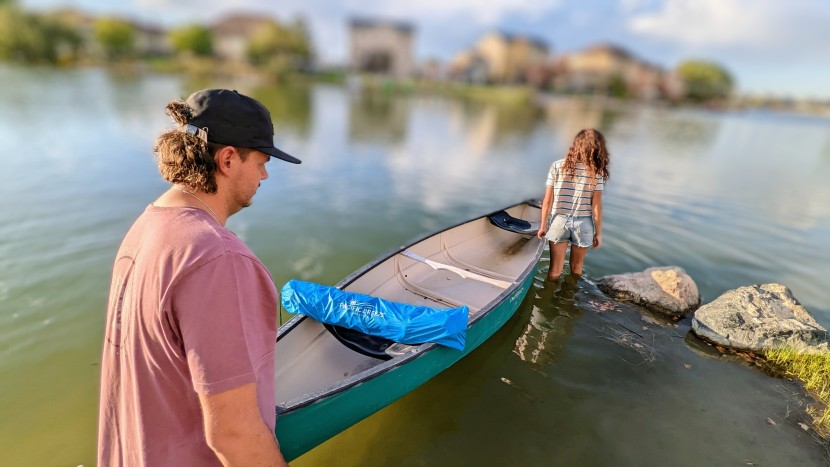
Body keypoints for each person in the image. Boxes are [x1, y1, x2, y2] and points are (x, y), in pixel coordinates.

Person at [98, 89, 300, 466]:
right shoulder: (218, 258)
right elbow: (233, 433)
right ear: (227, 159)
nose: (265, 174)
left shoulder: (147, 225)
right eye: (261, 162)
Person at [536, 128, 610, 281]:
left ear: (575, 145)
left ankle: (549, 298)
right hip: (584, 224)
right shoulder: (597, 172)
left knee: (555, 270)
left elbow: (547, 201)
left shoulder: (557, 166)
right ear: (597, 148)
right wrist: (599, 233)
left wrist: (543, 225)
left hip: (559, 222)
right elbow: (596, 207)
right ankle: (571, 298)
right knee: (576, 269)